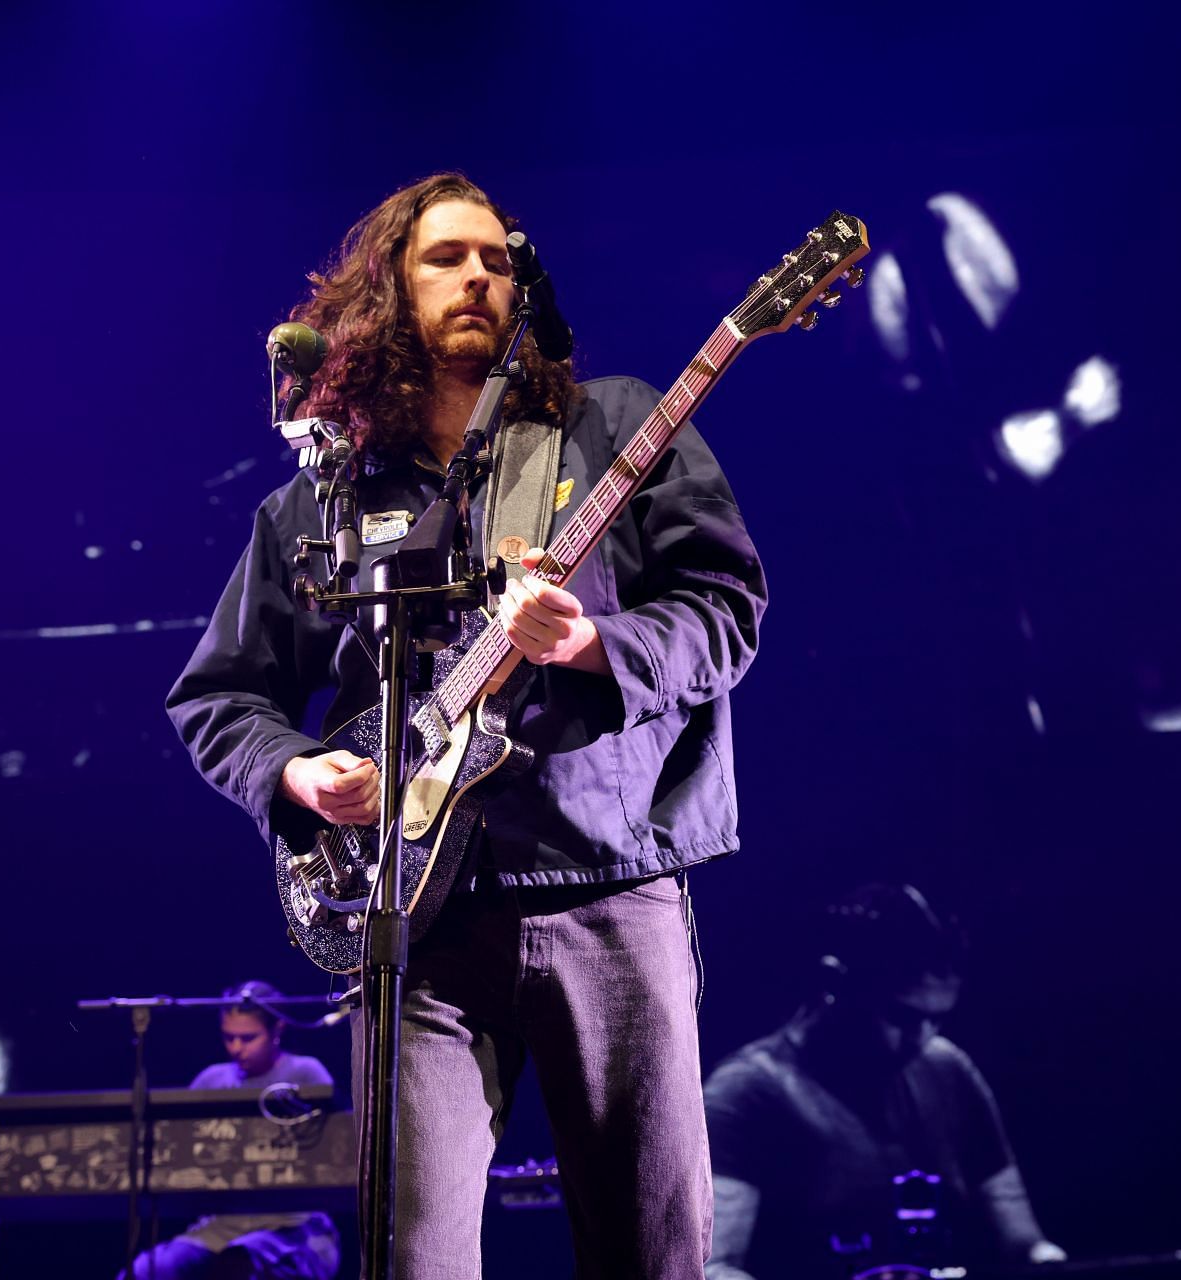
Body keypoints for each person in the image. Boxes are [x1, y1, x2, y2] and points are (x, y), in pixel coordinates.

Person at [168, 171, 767, 1279]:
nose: (480, 276)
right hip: (409, 924)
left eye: (497, 259)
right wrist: (302, 774)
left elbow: (725, 612)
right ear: (388, 293)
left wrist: (588, 643)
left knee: (652, 1248)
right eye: (447, 257)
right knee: (413, 1256)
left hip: (607, 883)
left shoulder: (616, 425)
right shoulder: (325, 497)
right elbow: (216, 695)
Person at [703, 884, 1064, 1279]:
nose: (921, 1038)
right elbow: (714, 1267)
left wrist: (1047, 1261)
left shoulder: (948, 1069)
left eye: (938, 1019)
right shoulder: (744, 1095)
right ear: (837, 985)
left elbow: (1022, 1240)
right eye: (902, 1018)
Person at [118, 982, 341, 1280]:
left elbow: (337, 1152)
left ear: (278, 1029)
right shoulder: (211, 1080)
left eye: (248, 1038)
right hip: (220, 1227)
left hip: (291, 1226)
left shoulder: (305, 1073)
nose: (236, 1047)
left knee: (239, 1262)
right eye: (229, 1037)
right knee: (144, 1271)